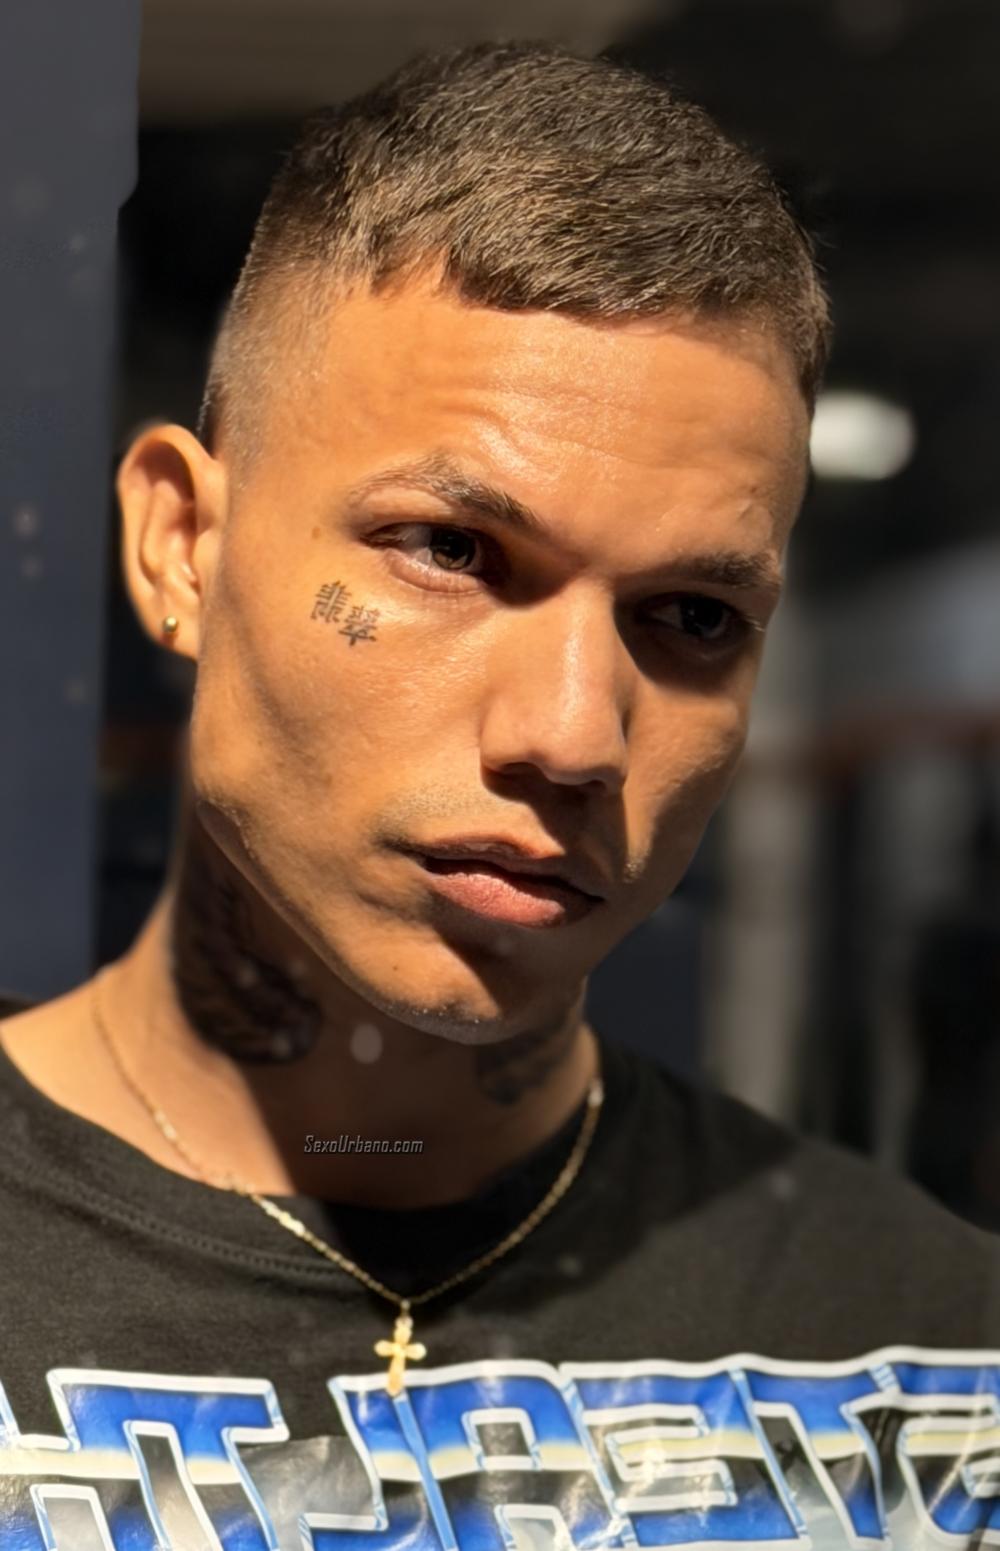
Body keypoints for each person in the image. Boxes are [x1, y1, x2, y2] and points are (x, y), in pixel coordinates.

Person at [0, 41, 996, 1551]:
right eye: (451, 552)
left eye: (693, 618)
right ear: (181, 549)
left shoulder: (936, 1361)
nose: (574, 735)